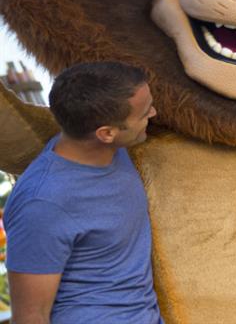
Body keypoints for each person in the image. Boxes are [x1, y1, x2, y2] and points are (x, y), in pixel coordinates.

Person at [5, 61, 162, 324]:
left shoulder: (109, 148)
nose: (154, 113)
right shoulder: (43, 203)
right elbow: (30, 316)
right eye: (144, 113)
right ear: (106, 133)